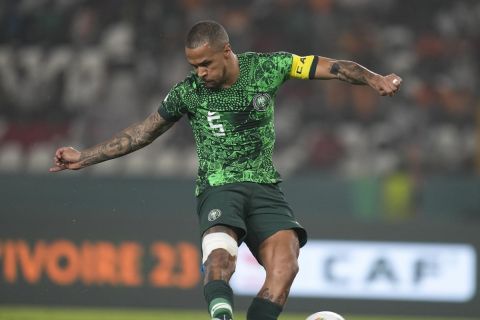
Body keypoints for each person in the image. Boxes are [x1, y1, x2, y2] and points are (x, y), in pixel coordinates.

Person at [50, 20, 402, 320]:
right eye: (193, 65)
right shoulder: (187, 93)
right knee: (220, 260)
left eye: (205, 63)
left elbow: (332, 66)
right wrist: (84, 157)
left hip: (265, 187)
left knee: (286, 267)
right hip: (219, 187)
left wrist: (373, 78)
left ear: (226, 51)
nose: (200, 72)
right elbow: (142, 132)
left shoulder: (268, 68)